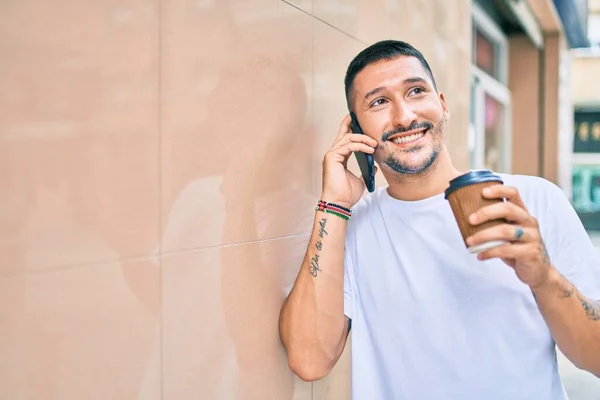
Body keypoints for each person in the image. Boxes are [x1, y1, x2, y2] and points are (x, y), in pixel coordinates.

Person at [278, 40, 600, 399]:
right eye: (379, 102)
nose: (403, 117)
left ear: (442, 105)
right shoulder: (349, 225)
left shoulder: (534, 200)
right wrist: (333, 203)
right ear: (355, 129)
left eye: (416, 91)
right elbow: (309, 360)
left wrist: (543, 277)